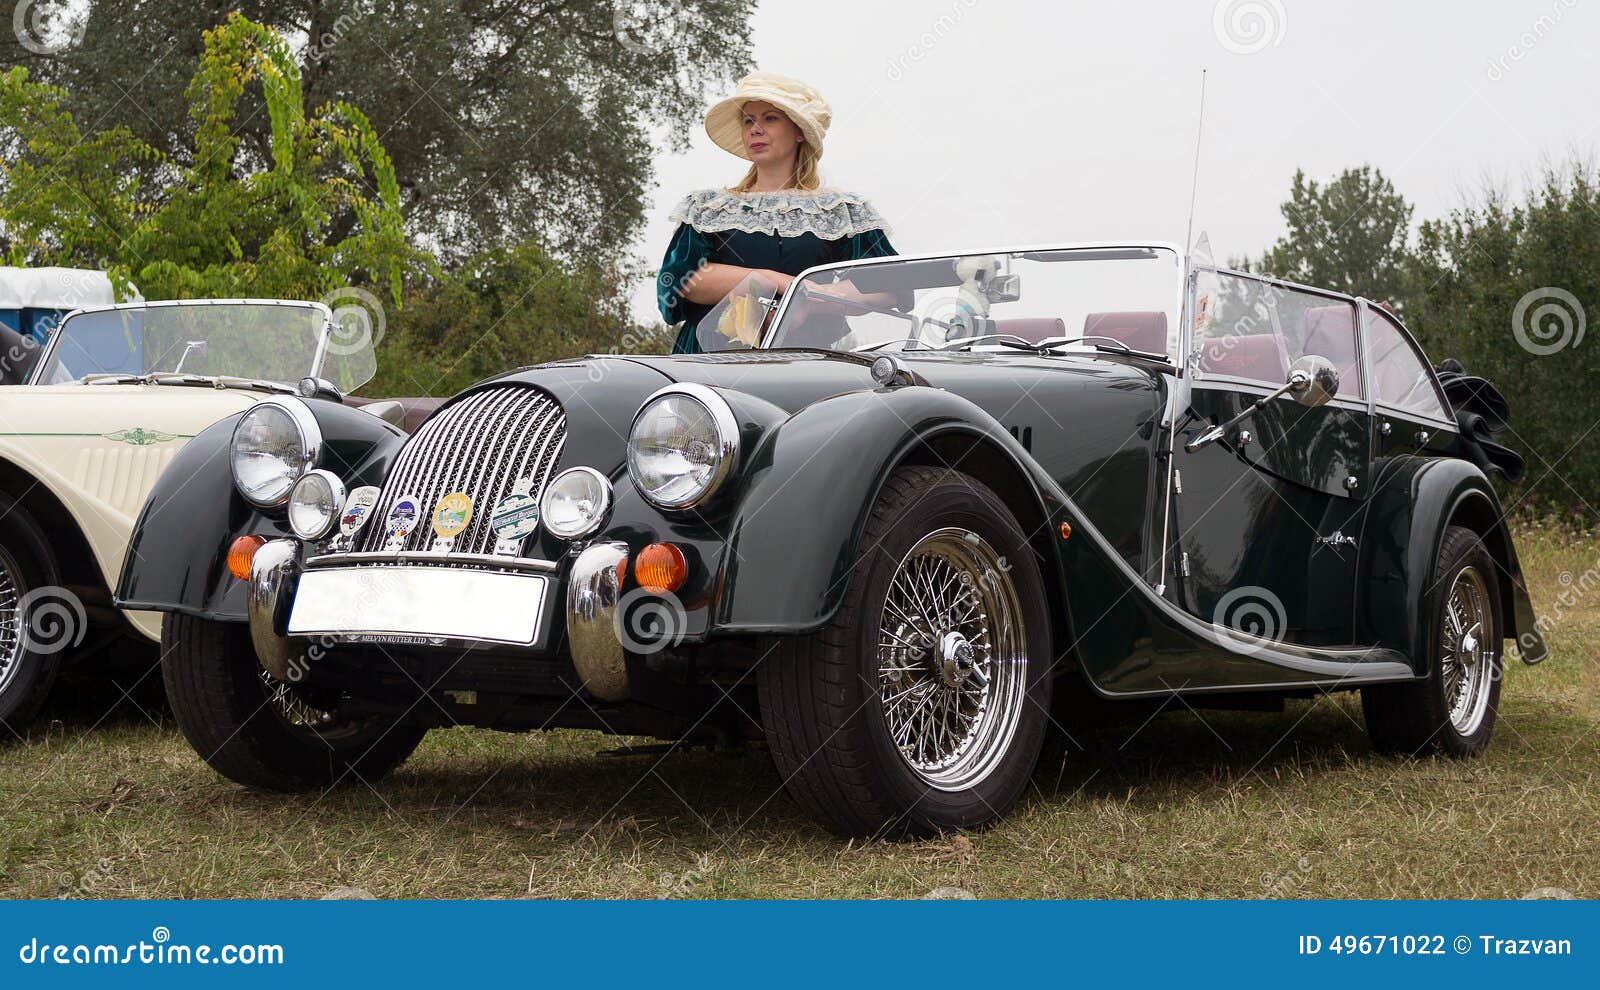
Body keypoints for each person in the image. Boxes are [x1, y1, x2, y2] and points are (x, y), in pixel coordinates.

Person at [657, 72, 899, 353]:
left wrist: (806, 301)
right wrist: (771, 281)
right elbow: (680, 283)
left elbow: (889, 287)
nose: (755, 129)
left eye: (769, 118)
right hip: (710, 360)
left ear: (799, 132)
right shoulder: (708, 207)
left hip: (805, 365)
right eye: (748, 120)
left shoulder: (844, 211)